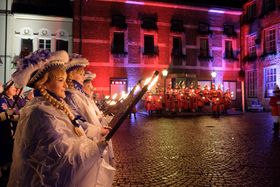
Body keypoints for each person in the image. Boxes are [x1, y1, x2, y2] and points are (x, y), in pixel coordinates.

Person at [8, 49, 110, 187]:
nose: (66, 85)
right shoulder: (40, 112)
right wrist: (95, 148)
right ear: (43, 83)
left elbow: (76, 128)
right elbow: (59, 154)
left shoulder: (53, 107)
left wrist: (97, 132)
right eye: (61, 80)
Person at [65, 55, 115, 180]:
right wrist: (98, 130)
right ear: (71, 75)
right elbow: (77, 122)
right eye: (81, 74)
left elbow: (91, 116)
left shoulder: (79, 95)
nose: (83, 77)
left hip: (95, 139)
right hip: (87, 143)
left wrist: (102, 123)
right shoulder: (71, 96)